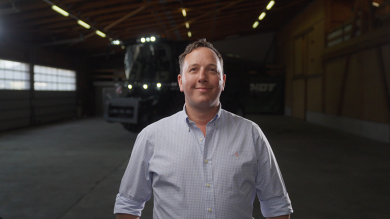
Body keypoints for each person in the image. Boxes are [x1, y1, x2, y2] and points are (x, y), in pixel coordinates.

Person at [114, 39, 293, 219]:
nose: (202, 77)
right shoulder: (152, 136)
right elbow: (128, 204)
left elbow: (276, 204)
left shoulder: (251, 134)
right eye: (193, 69)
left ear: (222, 81)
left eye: (211, 69)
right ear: (180, 81)